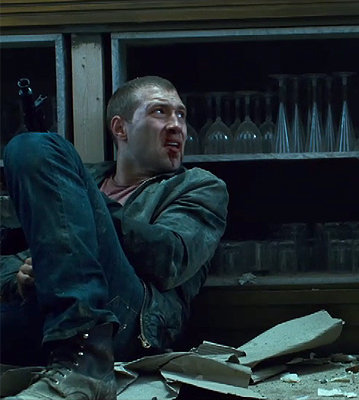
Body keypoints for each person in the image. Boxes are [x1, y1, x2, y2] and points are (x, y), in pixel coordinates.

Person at [0, 76, 229, 399]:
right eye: (160, 112)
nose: (177, 126)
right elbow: (12, 253)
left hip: (131, 321)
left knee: (32, 146)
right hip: (47, 314)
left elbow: (171, 260)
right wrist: (20, 277)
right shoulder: (86, 178)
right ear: (120, 128)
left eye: (181, 114)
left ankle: (88, 368)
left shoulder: (198, 186)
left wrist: (89, 208)